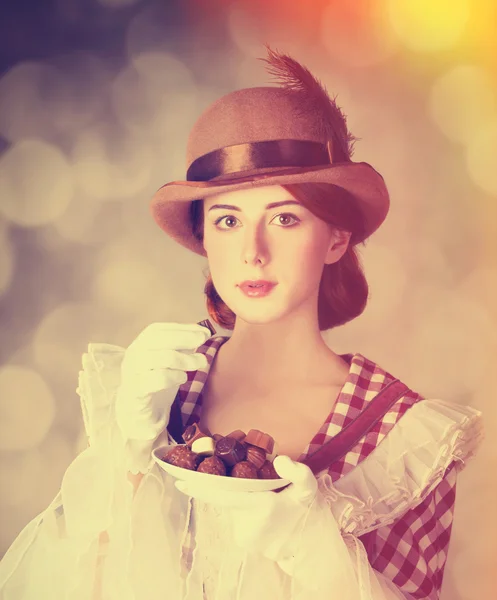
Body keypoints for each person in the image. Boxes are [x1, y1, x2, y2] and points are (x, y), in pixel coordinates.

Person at [0, 44, 485, 600]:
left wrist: (313, 548)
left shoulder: (404, 439)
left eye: (284, 217)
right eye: (228, 220)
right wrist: (128, 453)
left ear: (336, 238)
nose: (252, 251)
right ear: (204, 238)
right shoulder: (160, 391)